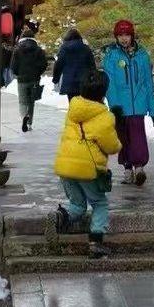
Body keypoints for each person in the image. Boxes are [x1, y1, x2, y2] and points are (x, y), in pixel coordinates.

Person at [53, 69, 121, 259]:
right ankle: (95, 243)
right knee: (99, 203)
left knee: (77, 206)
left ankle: (60, 217)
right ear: (103, 93)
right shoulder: (104, 117)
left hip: (65, 166)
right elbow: (111, 146)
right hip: (87, 169)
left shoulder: (73, 109)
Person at [102, 20, 154, 186]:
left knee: (138, 138)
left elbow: (149, 82)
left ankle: (139, 168)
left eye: (126, 34)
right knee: (123, 139)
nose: (124, 38)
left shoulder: (142, 55)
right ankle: (127, 169)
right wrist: (115, 106)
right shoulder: (111, 56)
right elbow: (109, 84)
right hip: (121, 106)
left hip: (138, 106)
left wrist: (153, 110)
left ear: (132, 35)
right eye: (120, 35)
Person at [10, 24, 48, 132]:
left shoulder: (17, 50)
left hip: (22, 79)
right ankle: (30, 123)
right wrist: (38, 72)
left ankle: (24, 117)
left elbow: (13, 66)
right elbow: (44, 64)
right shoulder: (39, 50)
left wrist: (18, 73)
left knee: (22, 101)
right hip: (34, 78)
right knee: (31, 102)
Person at [52, 28, 96, 102]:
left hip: (70, 81)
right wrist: (93, 78)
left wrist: (55, 78)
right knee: (84, 104)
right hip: (84, 81)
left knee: (72, 103)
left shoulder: (64, 48)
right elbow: (92, 65)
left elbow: (59, 64)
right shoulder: (85, 48)